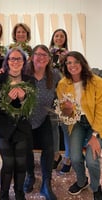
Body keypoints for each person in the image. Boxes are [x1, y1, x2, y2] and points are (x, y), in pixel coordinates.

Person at [0, 47, 36, 200]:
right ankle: (3, 195)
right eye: (12, 58)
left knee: (21, 163)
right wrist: (7, 100)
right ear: (7, 61)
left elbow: (31, 108)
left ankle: (19, 194)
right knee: (9, 163)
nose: (15, 62)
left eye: (19, 59)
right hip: (1, 127)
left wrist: (23, 99)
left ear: (24, 62)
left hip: (21, 127)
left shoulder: (30, 80)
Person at [56, 51, 102, 200]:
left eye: (76, 61)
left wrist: (95, 135)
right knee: (75, 158)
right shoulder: (63, 84)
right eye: (69, 63)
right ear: (65, 66)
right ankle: (82, 181)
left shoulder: (96, 82)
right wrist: (67, 109)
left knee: (92, 160)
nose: (72, 65)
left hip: (95, 123)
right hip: (77, 124)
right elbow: (64, 113)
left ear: (82, 63)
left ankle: (96, 187)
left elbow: (101, 110)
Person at [24, 44, 61, 200]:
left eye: (44, 55)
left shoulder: (55, 75)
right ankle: (30, 175)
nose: (41, 57)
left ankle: (47, 182)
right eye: (38, 54)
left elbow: (63, 95)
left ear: (49, 59)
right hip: (25, 118)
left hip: (44, 117)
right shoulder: (23, 73)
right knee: (25, 147)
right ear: (32, 57)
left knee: (49, 147)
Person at [49, 28, 71, 173]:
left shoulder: (69, 55)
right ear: (53, 38)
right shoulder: (47, 54)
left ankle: (68, 158)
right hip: (51, 95)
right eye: (56, 35)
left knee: (66, 128)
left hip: (65, 95)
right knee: (53, 128)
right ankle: (56, 155)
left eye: (61, 36)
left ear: (65, 39)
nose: (59, 38)